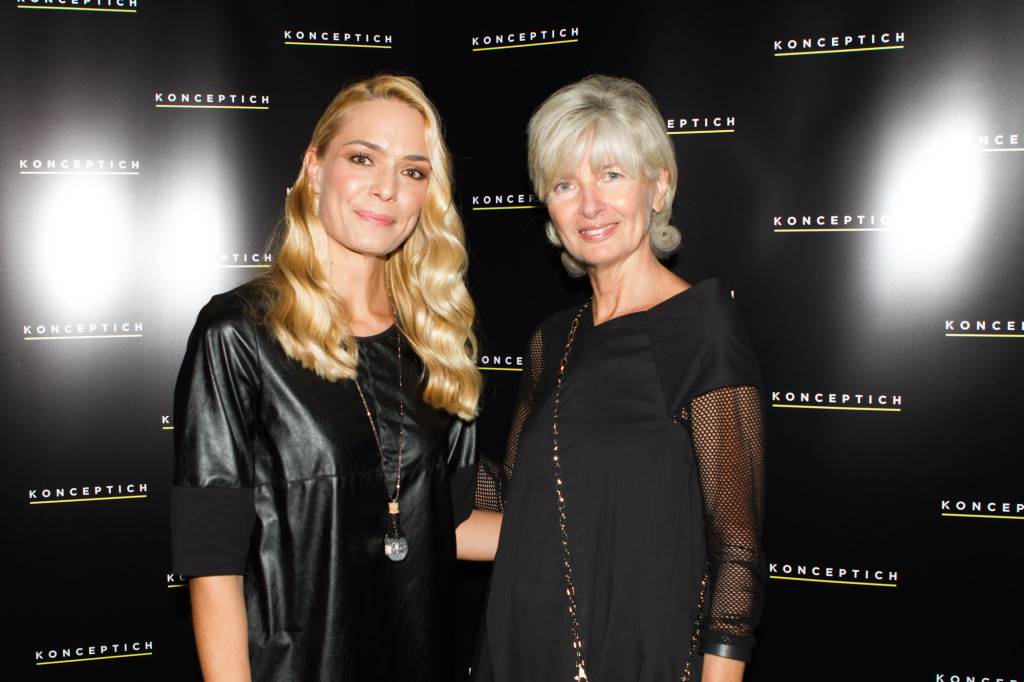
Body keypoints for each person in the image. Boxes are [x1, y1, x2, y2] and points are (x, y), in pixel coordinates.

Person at [170, 74, 498, 681]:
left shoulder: (437, 345)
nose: (386, 189)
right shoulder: (239, 334)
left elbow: (447, 523)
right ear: (315, 170)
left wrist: (593, 526)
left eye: (413, 171)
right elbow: (212, 561)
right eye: (362, 158)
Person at [473, 75, 766, 682]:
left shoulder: (700, 327)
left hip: (642, 660)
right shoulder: (552, 339)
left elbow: (736, 548)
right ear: (548, 207)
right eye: (565, 184)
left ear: (658, 186)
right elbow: (519, 503)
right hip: (528, 649)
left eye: (611, 175)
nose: (589, 205)